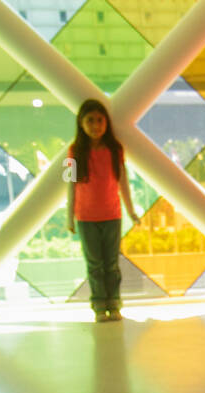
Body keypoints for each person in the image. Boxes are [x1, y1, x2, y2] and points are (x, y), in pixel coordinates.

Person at [66, 99, 138, 322]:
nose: (96, 126)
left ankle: (114, 304)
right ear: (81, 123)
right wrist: (69, 216)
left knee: (111, 264)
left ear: (106, 122)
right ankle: (99, 306)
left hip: (112, 214)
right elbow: (70, 184)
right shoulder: (74, 151)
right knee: (94, 265)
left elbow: (123, 181)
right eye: (90, 120)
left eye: (100, 120)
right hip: (85, 217)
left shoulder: (116, 149)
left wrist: (131, 211)